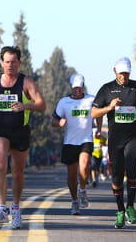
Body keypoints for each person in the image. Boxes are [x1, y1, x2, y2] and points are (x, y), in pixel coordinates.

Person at [0, 46, 46, 229]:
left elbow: (42, 104)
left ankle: (16, 209)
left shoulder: (26, 82)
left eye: (14, 62)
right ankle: (2, 208)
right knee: (1, 164)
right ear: (2, 62)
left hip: (20, 129)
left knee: (17, 171)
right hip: (0, 128)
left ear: (19, 63)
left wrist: (26, 106)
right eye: (7, 61)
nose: (10, 65)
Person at [91, 57, 136, 229]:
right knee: (116, 175)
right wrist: (109, 108)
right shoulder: (107, 89)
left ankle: (130, 206)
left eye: (126, 73)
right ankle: (120, 210)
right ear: (115, 71)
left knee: (131, 170)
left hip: (133, 136)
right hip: (115, 139)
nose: (124, 76)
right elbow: (93, 113)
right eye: (121, 73)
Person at [52, 74, 101, 215]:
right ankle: (74, 202)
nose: (77, 90)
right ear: (71, 87)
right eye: (75, 88)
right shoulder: (63, 102)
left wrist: (98, 129)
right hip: (69, 142)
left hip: (86, 140)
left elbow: (98, 114)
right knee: (72, 175)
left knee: (85, 167)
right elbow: (54, 121)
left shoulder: (91, 99)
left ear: (83, 86)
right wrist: (59, 123)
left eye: (79, 88)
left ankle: (83, 190)